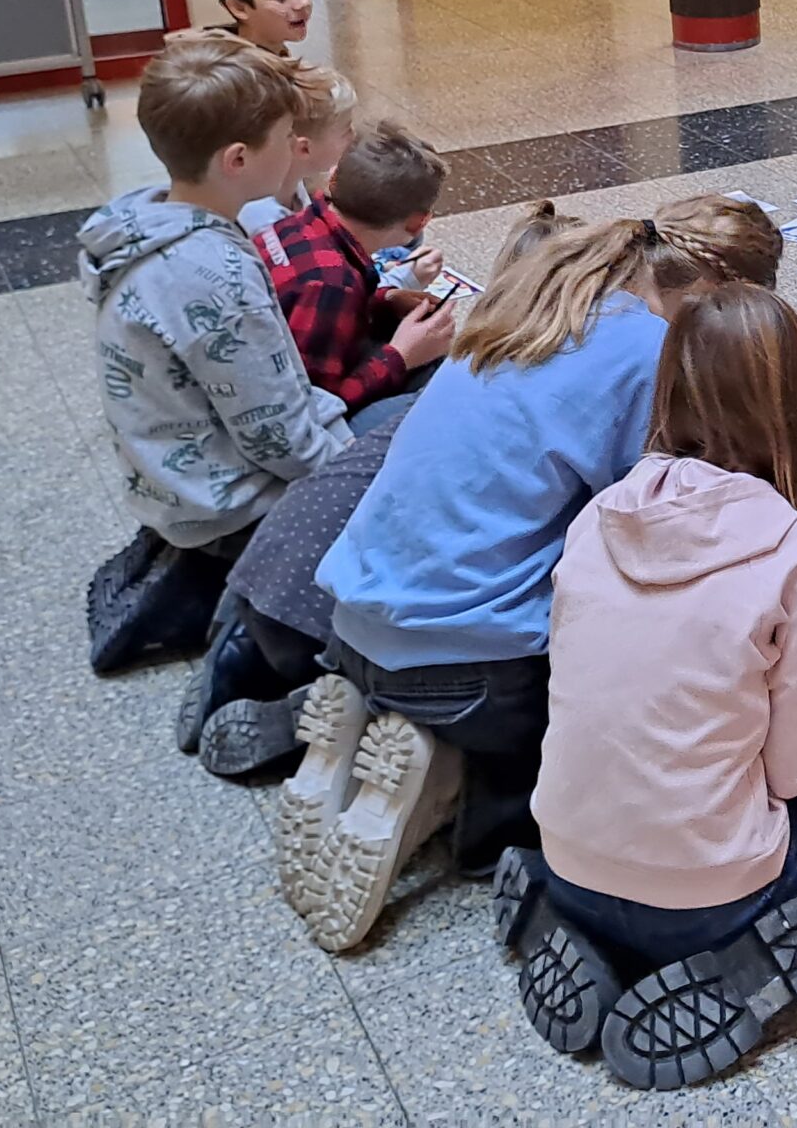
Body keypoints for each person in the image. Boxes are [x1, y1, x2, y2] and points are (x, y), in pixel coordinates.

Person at [278, 195, 782, 952]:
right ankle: (461, 793)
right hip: (472, 671)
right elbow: (653, 526)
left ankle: (388, 721)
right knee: (632, 656)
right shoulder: (651, 349)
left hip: (350, 618)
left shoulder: (536, 296)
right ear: (710, 299)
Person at [497, 283, 797, 1092]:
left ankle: (579, 925)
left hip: (567, 855)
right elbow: (794, 773)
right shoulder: (796, 549)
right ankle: (745, 953)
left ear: (669, 384)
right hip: (707, 898)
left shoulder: (597, 515)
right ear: (795, 404)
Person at [181, 203, 574, 779]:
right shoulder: (556, 417)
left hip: (259, 578)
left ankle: (248, 661)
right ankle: (374, 718)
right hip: (344, 634)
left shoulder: (447, 389)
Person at [78, 34, 349, 675]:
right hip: (228, 508)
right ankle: (244, 628)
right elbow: (282, 442)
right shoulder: (213, 276)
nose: (295, 146)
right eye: (285, 137)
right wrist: (360, 470)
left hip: (175, 483)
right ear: (238, 159)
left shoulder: (143, 220)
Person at [258, 119, 458, 435]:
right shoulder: (332, 284)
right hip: (296, 423)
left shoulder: (299, 225)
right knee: (437, 385)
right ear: (419, 222)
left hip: (272, 372)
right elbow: (319, 405)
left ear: (333, 179)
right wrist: (401, 356)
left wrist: (385, 300)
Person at [236, 56, 360, 239]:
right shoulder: (266, 224)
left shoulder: (292, 183)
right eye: (346, 130)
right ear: (304, 149)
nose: (353, 135)